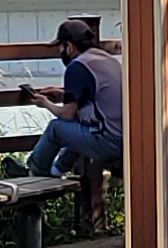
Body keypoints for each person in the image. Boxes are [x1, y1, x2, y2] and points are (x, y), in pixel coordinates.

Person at [20, 17, 123, 180]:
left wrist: (45, 103)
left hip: (109, 142)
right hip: (126, 139)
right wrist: (63, 94)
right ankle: (57, 171)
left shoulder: (78, 66)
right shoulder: (107, 60)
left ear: (70, 46)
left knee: (56, 128)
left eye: (61, 47)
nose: (60, 51)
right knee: (81, 125)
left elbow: (67, 115)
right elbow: (98, 95)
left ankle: (35, 174)